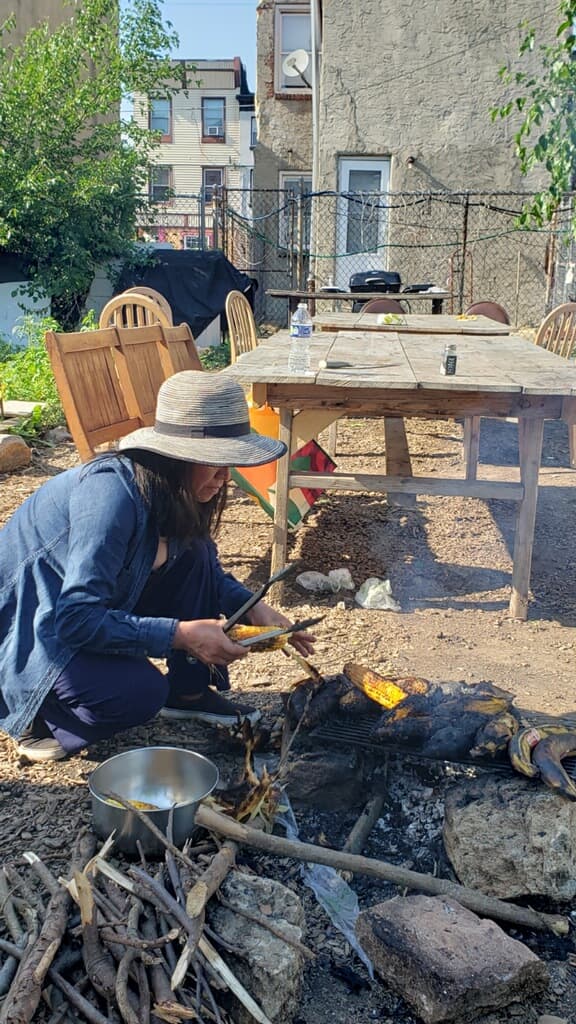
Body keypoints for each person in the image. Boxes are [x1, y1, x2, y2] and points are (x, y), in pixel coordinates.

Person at [0, 370, 315, 764]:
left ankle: (189, 693)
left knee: (197, 554)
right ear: (173, 456)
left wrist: (253, 605)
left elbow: (207, 572)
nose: (223, 477)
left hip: (90, 604)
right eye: (213, 463)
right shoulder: (111, 497)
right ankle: (40, 716)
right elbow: (75, 618)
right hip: (32, 623)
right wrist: (181, 635)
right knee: (139, 694)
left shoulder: (173, 490)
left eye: (229, 464)